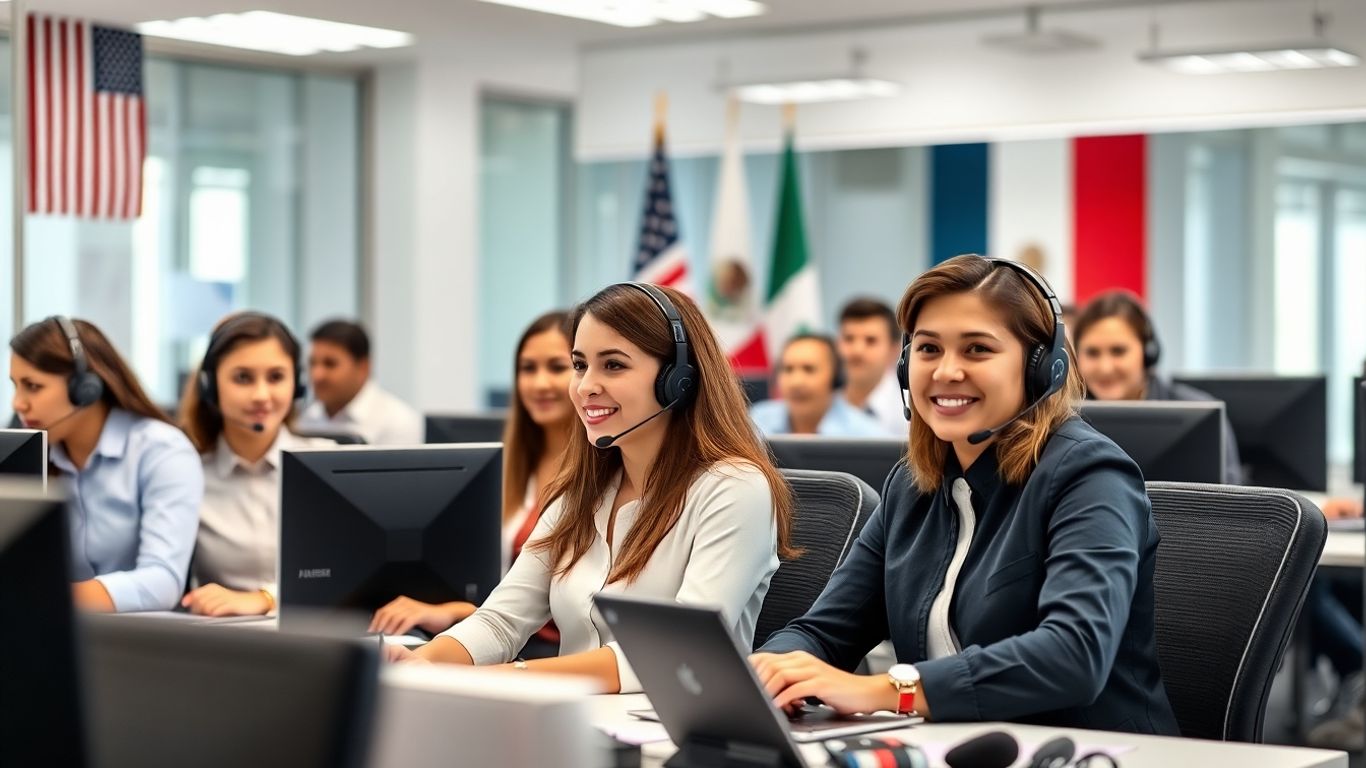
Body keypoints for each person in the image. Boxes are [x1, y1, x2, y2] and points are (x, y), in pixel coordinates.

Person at [750, 255, 1179, 734]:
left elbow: (1074, 653)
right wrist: (768, 672)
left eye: (977, 349)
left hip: (1089, 752)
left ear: (1040, 368)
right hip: (952, 745)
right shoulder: (910, 486)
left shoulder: (1090, 475)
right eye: (929, 348)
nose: (946, 371)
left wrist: (889, 691)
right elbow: (825, 631)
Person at [390, 283, 796, 695]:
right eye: (580, 365)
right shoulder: (580, 494)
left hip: (674, 725)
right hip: (573, 718)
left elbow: (676, 651)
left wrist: (503, 678)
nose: (585, 386)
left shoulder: (734, 489)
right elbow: (501, 621)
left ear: (679, 381)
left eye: (613, 365)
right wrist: (419, 664)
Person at [369, 310, 576, 658]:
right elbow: (500, 592)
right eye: (528, 369)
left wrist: (457, 614)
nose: (540, 383)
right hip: (494, 639)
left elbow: (551, 608)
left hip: (548, 655)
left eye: (557, 367)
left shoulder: (595, 478)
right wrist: (453, 610)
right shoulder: (505, 469)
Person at [8, 316, 202, 612]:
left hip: (138, 634)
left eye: (33, 386)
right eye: (15, 386)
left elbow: (163, 582)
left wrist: (45, 597)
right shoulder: (28, 453)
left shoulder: (162, 451)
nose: (18, 403)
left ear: (85, 388)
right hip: (49, 627)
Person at [178, 312, 335, 617]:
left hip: (317, 631)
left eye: (276, 377)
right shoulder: (186, 473)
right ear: (210, 385)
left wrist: (266, 598)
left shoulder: (328, 466)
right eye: (243, 378)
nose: (261, 395)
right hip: (224, 637)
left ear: (297, 384)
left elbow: (349, 572)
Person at [1072, 291, 1243, 485]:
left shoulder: (1198, 410)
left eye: (1118, 351)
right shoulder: (1065, 418)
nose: (1105, 368)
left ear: (1149, 353)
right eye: (1092, 353)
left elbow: (1229, 498)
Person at [297, 319, 423, 445]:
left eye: (330, 364)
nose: (316, 375)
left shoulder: (398, 422)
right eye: (312, 363)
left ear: (363, 367)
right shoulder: (304, 419)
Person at [749, 334, 885, 437]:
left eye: (809, 369)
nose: (796, 382)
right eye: (788, 369)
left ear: (835, 378)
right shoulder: (754, 422)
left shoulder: (869, 435)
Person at [836, 297, 909, 436]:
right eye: (848, 339)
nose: (857, 351)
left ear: (894, 350)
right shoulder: (821, 405)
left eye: (871, 341)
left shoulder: (912, 411)